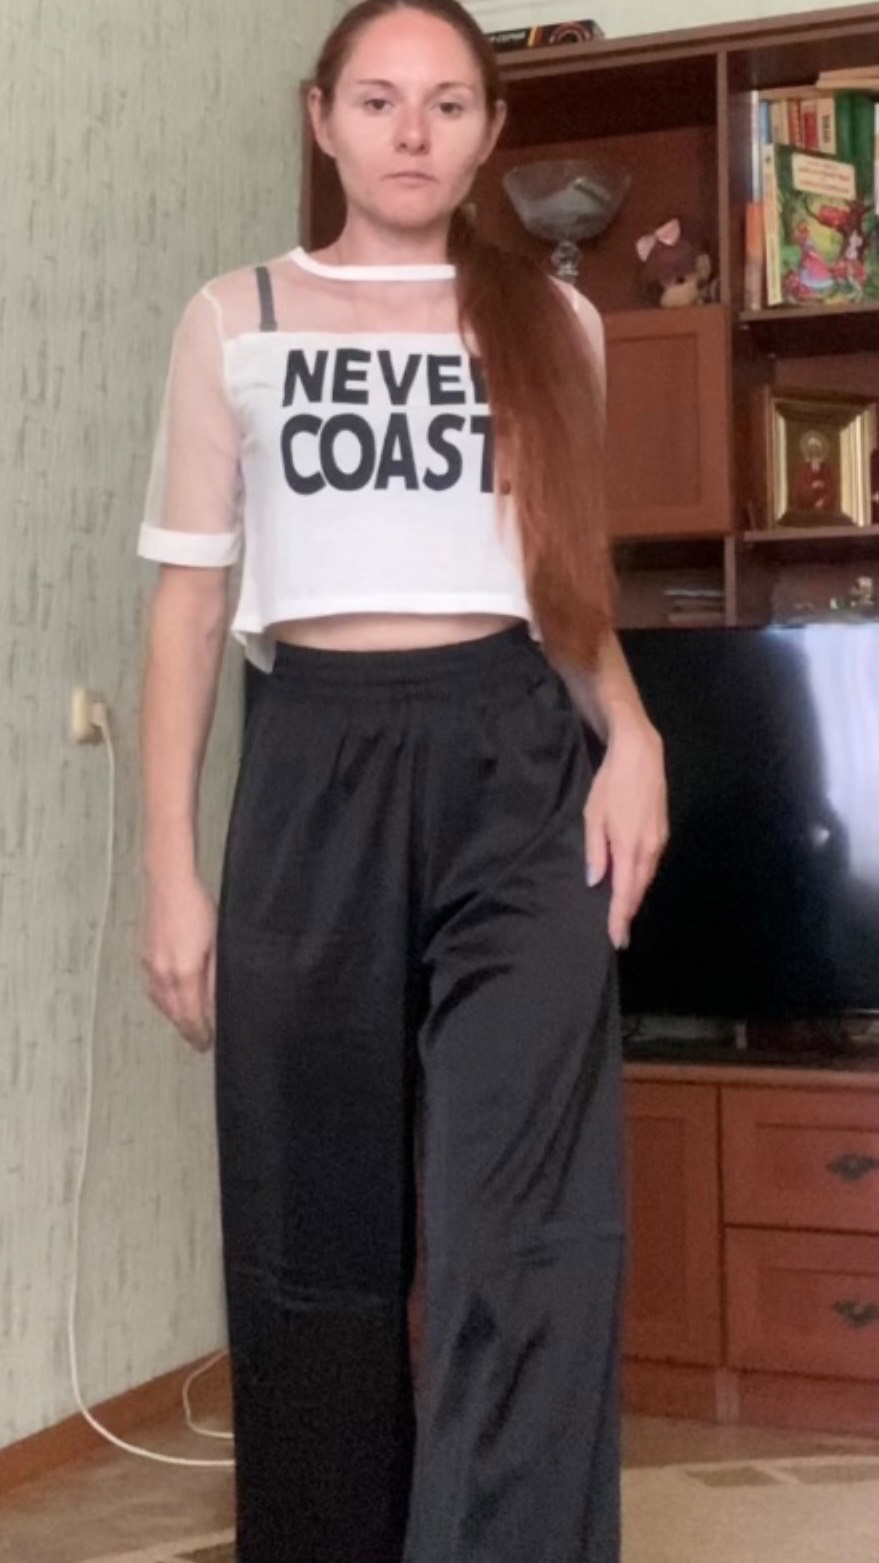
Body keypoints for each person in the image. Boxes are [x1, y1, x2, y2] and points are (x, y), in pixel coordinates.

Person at [137, 2, 668, 1559]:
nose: (413, 131)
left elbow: (565, 588)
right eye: (378, 100)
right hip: (312, 760)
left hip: (517, 762)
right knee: (315, 1226)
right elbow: (188, 606)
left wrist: (633, 736)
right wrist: (171, 873)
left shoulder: (554, 324)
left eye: (447, 102)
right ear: (324, 120)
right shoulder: (234, 319)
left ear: (492, 131)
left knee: (532, 1227)